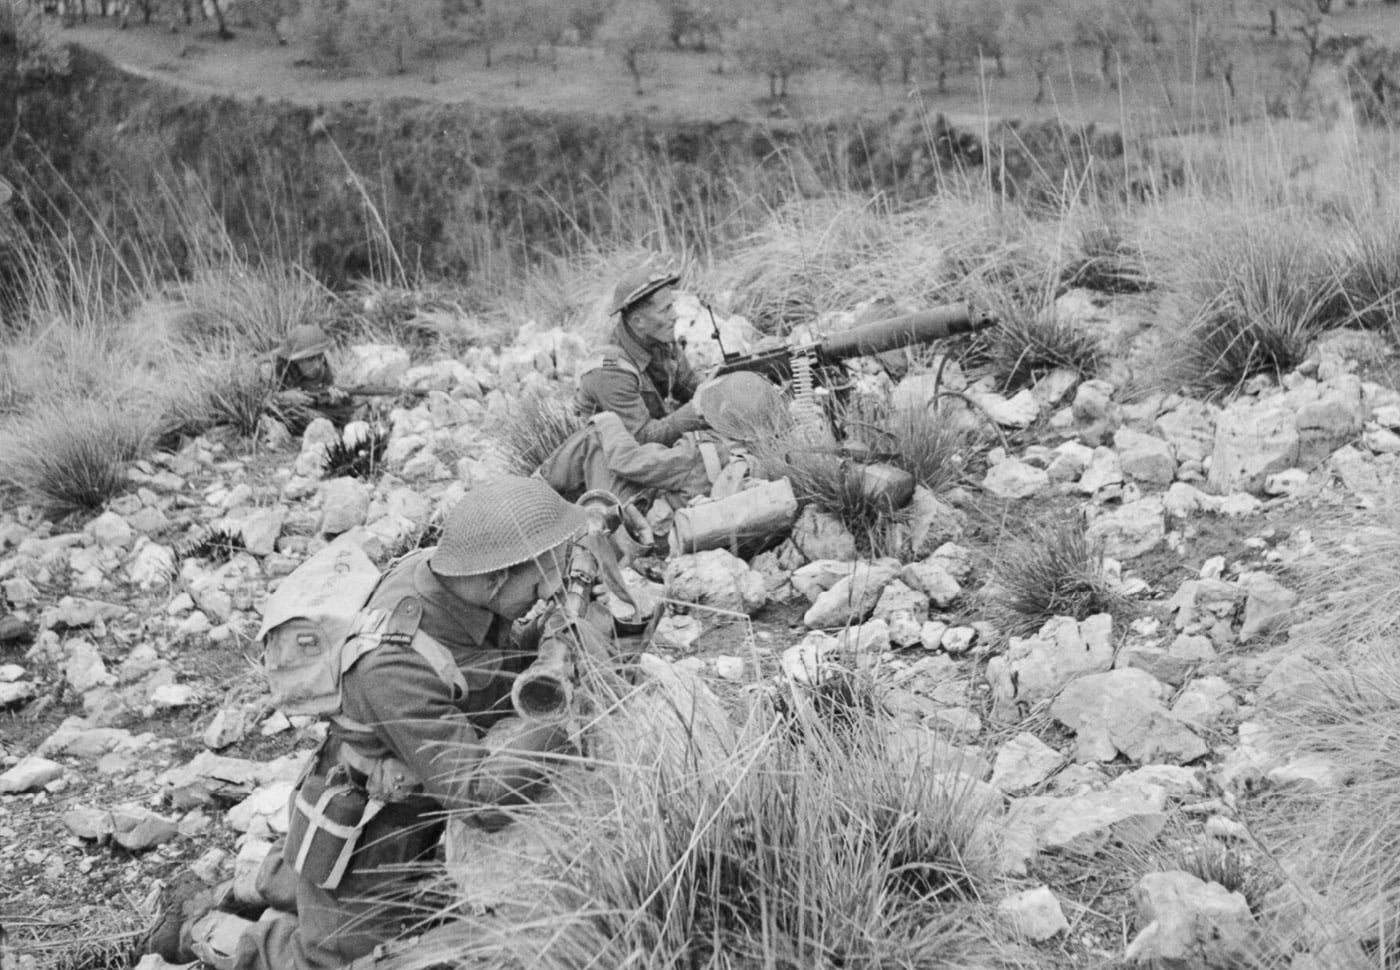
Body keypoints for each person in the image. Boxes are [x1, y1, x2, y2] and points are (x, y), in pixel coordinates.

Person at [161, 478, 601, 970]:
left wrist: (559, 636)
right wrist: (563, 713)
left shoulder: (451, 582)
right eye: (541, 577)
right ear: (496, 577)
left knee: (315, 882)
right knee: (334, 959)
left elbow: (484, 671)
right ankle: (197, 927)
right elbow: (479, 799)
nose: (552, 587)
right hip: (373, 827)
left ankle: (252, 887)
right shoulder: (393, 664)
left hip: (411, 787)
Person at [541, 371, 795, 529]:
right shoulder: (759, 459)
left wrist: (609, 422)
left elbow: (626, 461)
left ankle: (536, 491)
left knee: (595, 437)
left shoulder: (699, 451)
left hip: (645, 530)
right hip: (690, 519)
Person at [574, 262, 707, 446]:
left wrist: (715, 387)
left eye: (672, 306)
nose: (675, 315)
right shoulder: (609, 369)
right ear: (639, 321)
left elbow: (688, 384)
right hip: (609, 458)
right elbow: (642, 438)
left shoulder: (659, 340)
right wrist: (695, 411)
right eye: (666, 310)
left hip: (647, 446)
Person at [270, 323, 355, 429]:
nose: (318, 365)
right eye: (310, 359)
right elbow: (261, 402)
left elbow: (323, 394)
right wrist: (283, 397)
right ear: (296, 360)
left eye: (320, 357)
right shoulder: (272, 370)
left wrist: (333, 400)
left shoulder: (322, 369)